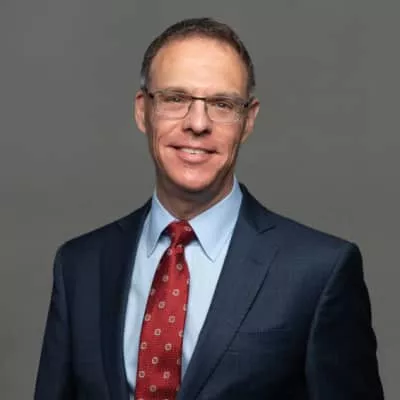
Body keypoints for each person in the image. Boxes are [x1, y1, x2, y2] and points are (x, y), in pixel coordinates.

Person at [34, 17, 384, 400]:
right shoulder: (80, 267)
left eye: (222, 104)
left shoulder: (319, 273)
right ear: (142, 111)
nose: (198, 124)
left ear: (247, 121)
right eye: (175, 99)